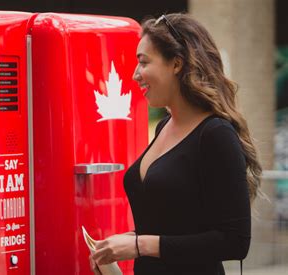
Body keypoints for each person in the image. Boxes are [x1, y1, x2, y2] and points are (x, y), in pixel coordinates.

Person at [89, 13, 262, 275]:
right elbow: (173, 224)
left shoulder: (216, 134)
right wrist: (121, 244)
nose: (135, 75)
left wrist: (139, 245)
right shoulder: (163, 127)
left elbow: (235, 242)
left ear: (176, 64)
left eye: (143, 62)